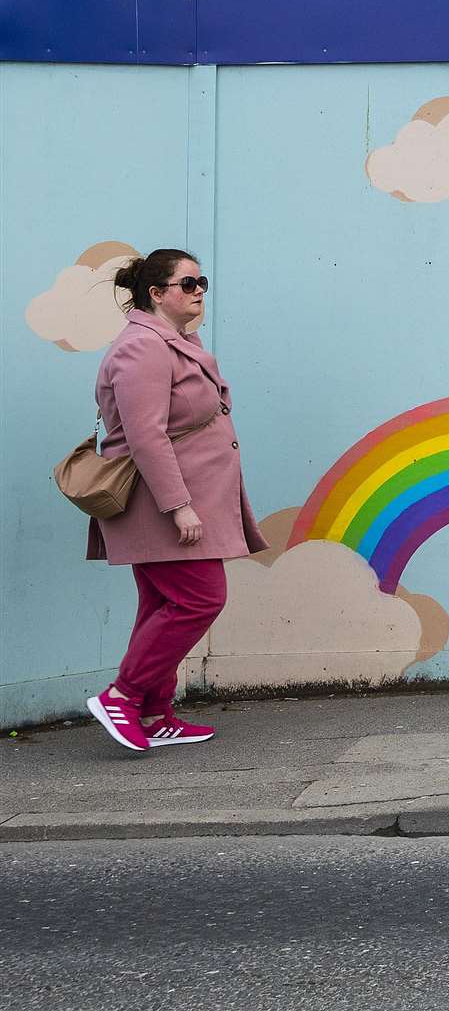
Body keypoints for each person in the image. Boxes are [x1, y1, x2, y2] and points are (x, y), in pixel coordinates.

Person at [83, 249, 266, 752]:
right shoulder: (141, 348)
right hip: (161, 503)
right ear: (156, 293)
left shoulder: (176, 342)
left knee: (163, 603)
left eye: (202, 281)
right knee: (201, 597)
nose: (199, 290)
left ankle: (154, 712)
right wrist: (178, 505)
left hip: (186, 497)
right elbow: (146, 437)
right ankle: (122, 697)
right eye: (188, 283)